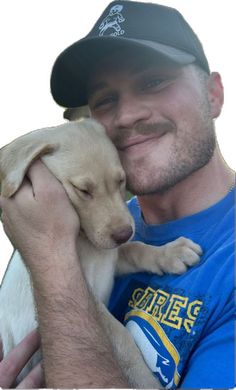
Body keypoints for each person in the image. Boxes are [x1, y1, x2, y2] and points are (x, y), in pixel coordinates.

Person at [0, 1, 235, 388]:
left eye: (153, 82)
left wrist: (53, 260)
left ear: (213, 94)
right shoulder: (77, 223)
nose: (126, 117)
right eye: (105, 100)